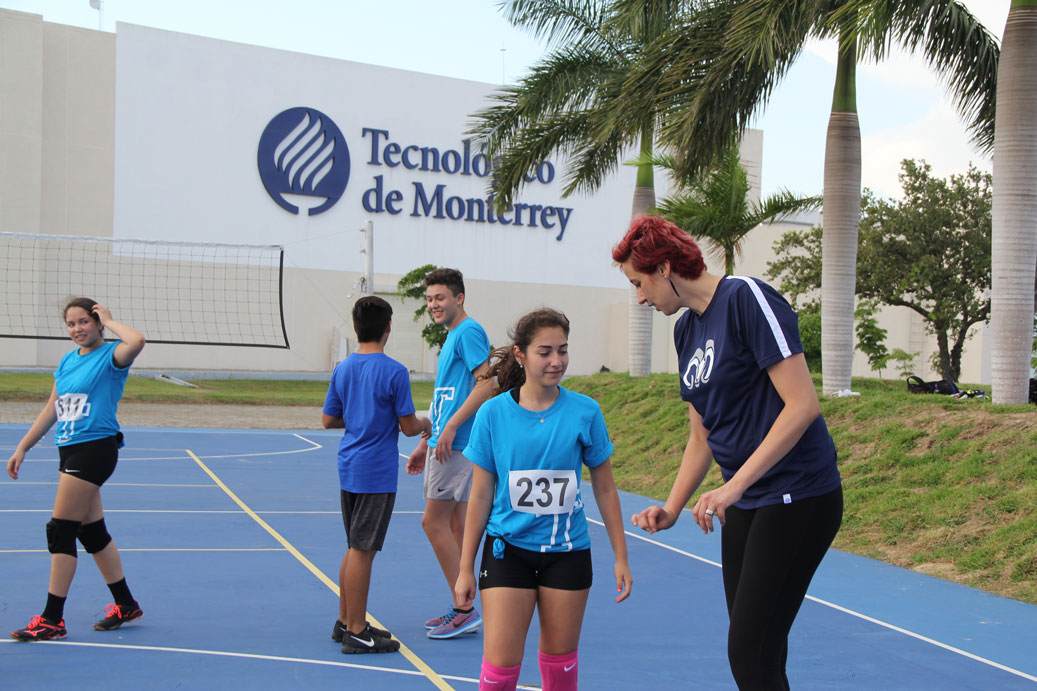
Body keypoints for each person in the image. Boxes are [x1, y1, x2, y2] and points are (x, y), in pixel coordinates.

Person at [615, 216, 843, 690]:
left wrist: (732, 487)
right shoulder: (686, 333)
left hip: (797, 495)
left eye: (639, 283)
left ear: (663, 268)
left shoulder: (745, 298)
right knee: (758, 655)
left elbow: (802, 406)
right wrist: (673, 507)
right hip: (744, 502)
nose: (639, 297)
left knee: (749, 651)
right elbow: (701, 437)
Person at [455, 308, 632, 691]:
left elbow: (604, 487)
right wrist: (465, 566)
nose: (557, 361)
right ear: (520, 354)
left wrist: (621, 555)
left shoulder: (585, 411)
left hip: (567, 554)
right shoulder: (492, 414)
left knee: (560, 668)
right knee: (500, 671)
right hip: (508, 551)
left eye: (563, 350)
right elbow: (481, 493)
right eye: (545, 352)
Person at [7, 298, 146, 641]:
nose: (77, 329)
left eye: (84, 321)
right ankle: (125, 604)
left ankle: (52, 619)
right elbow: (52, 408)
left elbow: (137, 341)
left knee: (61, 530)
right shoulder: (68, 361)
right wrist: (23, 446)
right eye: (71, 324)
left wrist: (111, 320)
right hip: (68, 450)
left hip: (95, 449)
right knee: (91, 532)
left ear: (97, 322)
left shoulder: (111, 357)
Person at [322, 296, 431, 654]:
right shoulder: (394, 371)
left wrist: (359, 418)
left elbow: (329, 420)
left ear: (357, 328)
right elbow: (408, 425)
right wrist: (427, 422)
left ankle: (345, 620)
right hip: (377, 471)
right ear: (388, 328)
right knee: (363, 550)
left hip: (349, 465)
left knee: (354, 547)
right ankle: (356, 630)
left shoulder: (343, 368)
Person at [405, 268, 493, 639]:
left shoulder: (469, 331)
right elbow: (447, 395)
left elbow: (487, 382)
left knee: (433, 522)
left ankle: (464, 608)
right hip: (445, 442)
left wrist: (453, 427)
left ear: (459, 298)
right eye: (429, 299)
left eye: (439, 298)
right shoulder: (452, 336)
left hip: (458, 445)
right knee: (457, 525)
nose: (433, 305)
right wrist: (427, 439)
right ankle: (464, 605)